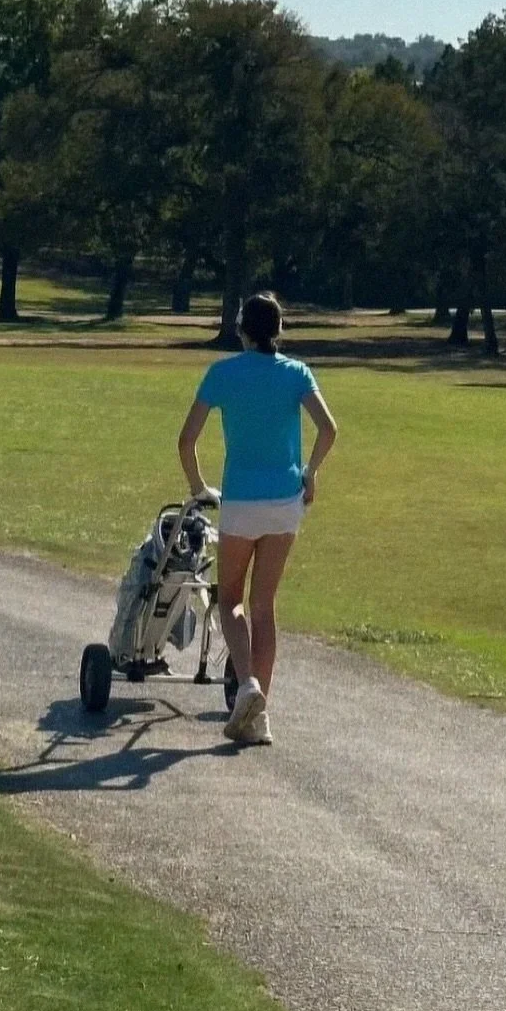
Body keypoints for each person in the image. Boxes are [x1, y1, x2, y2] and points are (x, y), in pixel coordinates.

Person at [177, 292, 337, 746]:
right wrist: (310, 472)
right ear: (279, 330)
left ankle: (247, 685)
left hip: (241, 501)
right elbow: (328, 429)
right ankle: (258, 717)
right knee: (264, 605)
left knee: (230, 599)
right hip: (286, 501)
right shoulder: (296, 372)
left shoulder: (222, 373)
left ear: (242, 329)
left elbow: (186, 441)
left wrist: (198, 486)